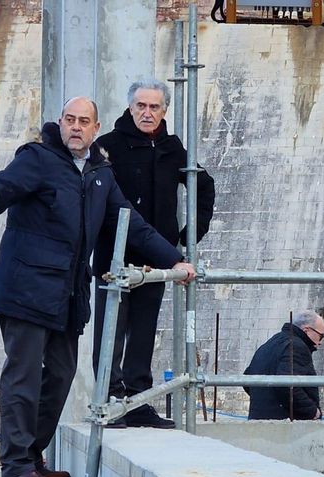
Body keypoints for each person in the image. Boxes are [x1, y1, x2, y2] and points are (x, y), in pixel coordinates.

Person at [0, 97, 196, 477]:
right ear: (60, 123)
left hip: (67, 296)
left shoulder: (100, 174)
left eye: (84, 121)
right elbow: (1, 187)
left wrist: (174, 260)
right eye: (70, 120)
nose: (76, 127)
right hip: (26, 289)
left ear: (96, 128)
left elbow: (134, 225)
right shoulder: (38, 159)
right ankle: (15, 467)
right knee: (22, 378)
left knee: (60, 376)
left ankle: (32, 455)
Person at [91, 78, 215, 429]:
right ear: (130, 108)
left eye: (154, 107)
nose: (147, 113)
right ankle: (111, 402)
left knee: (144, 332)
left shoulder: (173, 150)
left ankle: (138, 402)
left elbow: (204, 187)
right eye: (140, 106)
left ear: (164, 111)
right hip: (113, 259)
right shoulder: (106, 147)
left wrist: (188, 238)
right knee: (110, 333)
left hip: (158, 258)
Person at [244, 311, 324, 420]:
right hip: (285, 425)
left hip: (257, 421)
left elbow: (248, 378)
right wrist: (312, 411)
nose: (320, 342)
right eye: (321, 336)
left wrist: (266, 399)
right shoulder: (297, 346)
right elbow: (286, 385)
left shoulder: (270, 343)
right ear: (307, 330)